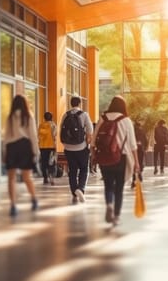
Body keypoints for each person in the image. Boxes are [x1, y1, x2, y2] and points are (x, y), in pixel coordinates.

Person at [91, 96, 140, 225]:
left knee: (108, 185)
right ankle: (116, 216)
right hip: (121, 158)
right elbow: (133, 144)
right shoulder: (126, 120)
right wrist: (136, 163)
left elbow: (93, 140)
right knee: (119, 188)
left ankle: (109, 204)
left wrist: (93, 155)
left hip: (104, 157)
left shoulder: (103, 118)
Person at [3, 95, 39, 217]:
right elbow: (33, 135)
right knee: (27, 177)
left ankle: (13, 205)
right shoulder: (29, 116)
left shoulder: (10, 117)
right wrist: (36, 151)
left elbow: (6, 136)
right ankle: (34, 198)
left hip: (12, 147)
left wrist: (4, 151)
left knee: (11, 178)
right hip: (25, 146)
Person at [60, 96, 93, 204]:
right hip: (81, 147)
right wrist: (88, 143)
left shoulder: (65, 115)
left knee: (72, 170)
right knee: (84, 169)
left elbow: (62, 130)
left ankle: (74, 191)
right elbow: (90, 130)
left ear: (71, 104)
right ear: (79, 104)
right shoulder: (84, 114)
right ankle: (80, 188)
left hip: (68, 148)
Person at [38, 111, 57, 185]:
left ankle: (45, 177)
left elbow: (39, 135)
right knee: (51, 162)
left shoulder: (41, 125)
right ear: (51, 117)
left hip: (42, 147)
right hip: (51, 146)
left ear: (44, 118)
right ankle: (51, 177)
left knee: (44, 162)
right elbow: (55, 135)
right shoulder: (53, 125)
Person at [131, 121, 148, 188]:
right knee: (140, 162)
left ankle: (133, 178)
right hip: (141, 149)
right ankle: (140, 174)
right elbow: (146, 140)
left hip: (133, 150)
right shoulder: (142, 131)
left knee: (133, 163)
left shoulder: (132, 131)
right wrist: (145, 148)